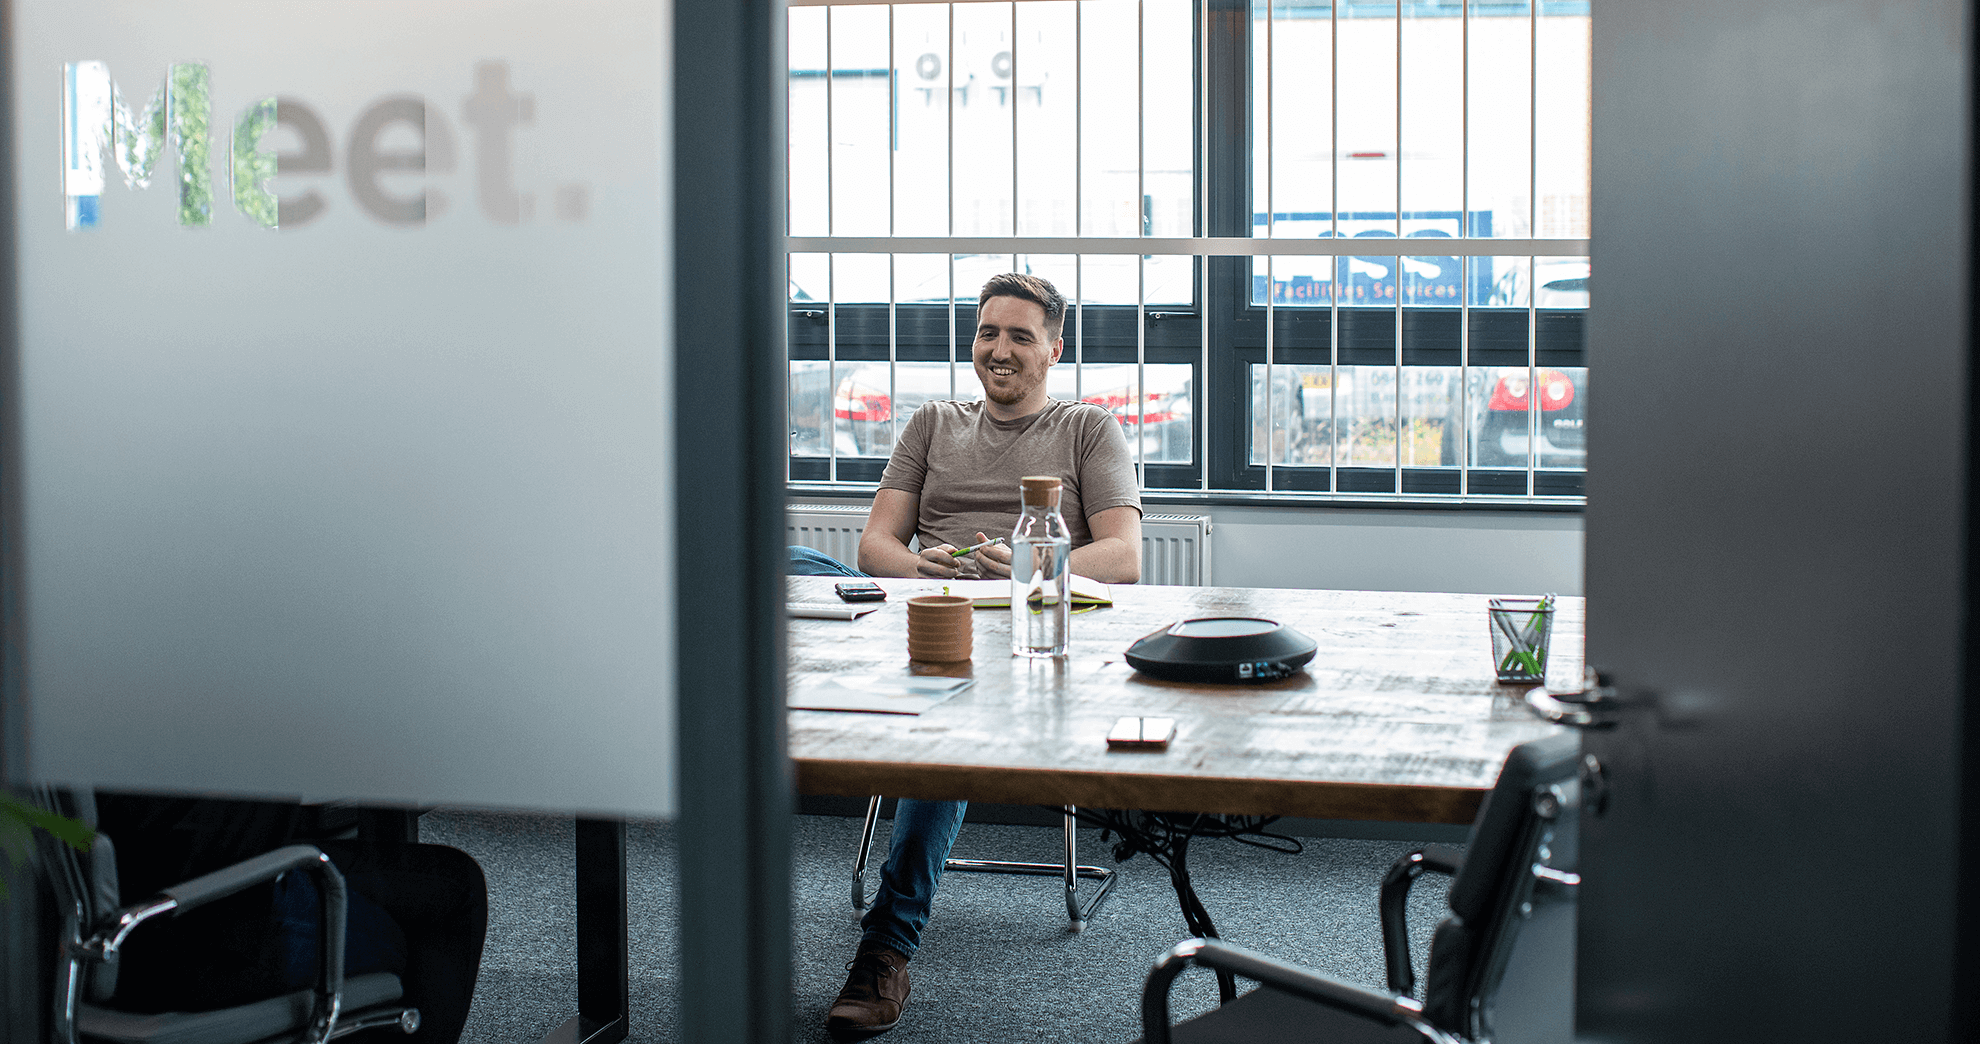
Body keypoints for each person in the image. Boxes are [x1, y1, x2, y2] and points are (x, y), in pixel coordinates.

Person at [793, 272, 1142, 1039]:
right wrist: (930, 568)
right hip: (925, 605)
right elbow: (875, 545)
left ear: (1055, 347)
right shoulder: (932, 423)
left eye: (1020, 335)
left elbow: (1122, 556)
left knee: (942, 723)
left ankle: (886, 946)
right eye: (989, 332)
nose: (1000, 349)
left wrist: (1027, 565)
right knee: (779, 558)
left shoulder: (1087, 429)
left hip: (1021, 632)